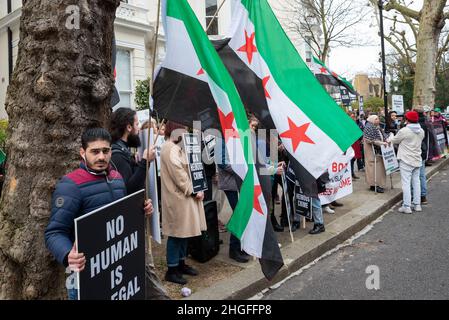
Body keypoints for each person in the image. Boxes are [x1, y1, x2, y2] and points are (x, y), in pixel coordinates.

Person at [45, 128, 153, 300]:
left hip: (116, 272)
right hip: (84, 277)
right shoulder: (70, 185)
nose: (101, 157)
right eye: (95, 152)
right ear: (82, 152)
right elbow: (54, 232)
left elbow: (122, 218)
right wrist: (68, 255)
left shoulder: (117, 178)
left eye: (105, 151)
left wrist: (141, 210)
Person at [160, 121, 206, 284]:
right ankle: (172, 269)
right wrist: (194, 190)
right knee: (176, 234)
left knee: (184, 233)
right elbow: (179, 174)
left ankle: (180, 264)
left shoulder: (177, 146)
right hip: (178, 198)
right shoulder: (169, 148)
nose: (186, 131)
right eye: (184, 128)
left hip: (184, 197)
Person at [109, 108, 156, 194]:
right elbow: (130, 190)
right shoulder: (117, 155)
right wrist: (145, 161)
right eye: (137, 124)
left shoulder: (123, 149)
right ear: (129, 127)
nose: (139, 128)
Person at [388, 111, 424, 214]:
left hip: (406, 159)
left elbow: (394, 140)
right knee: (416, 182)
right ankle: (417, 205)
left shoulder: (404, 130)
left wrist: (390, 136)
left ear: (407, 120)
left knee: (406, 183)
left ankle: (406, 206)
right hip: (417, 158)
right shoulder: (421, 131)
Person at [363, 115, 388, 193]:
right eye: (376, 119)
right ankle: (374, 185)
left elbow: (382, 136)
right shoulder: (369, 127)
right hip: (371, 151)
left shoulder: (377, 127)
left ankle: (376, 184)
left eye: (378, 118)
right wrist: (381, 143)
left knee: (378, 168)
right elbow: (369, 140)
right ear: (371, 120)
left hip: (377, 150)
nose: (378, 120)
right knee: (372, 168)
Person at [416, 106, 431, 204]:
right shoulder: (426, 122)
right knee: (421, 175)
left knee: (416, 176)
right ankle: (423, 196)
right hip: (424, 151)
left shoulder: (418, 125)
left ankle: (418, 196)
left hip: (417, 152)